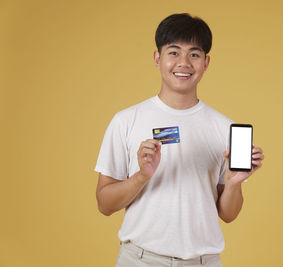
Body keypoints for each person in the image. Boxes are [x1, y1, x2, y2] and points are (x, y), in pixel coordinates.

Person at [94, 13, 264, 267]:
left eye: (194, 54)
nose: (183, 62)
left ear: (206, 63)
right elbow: (104, 204)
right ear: (157, 58)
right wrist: (142, 175)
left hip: (203, 261)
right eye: (174, 52)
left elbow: (228, 215)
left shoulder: (224, 127)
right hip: (140, 260)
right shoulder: (126, 120)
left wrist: (233, 183)